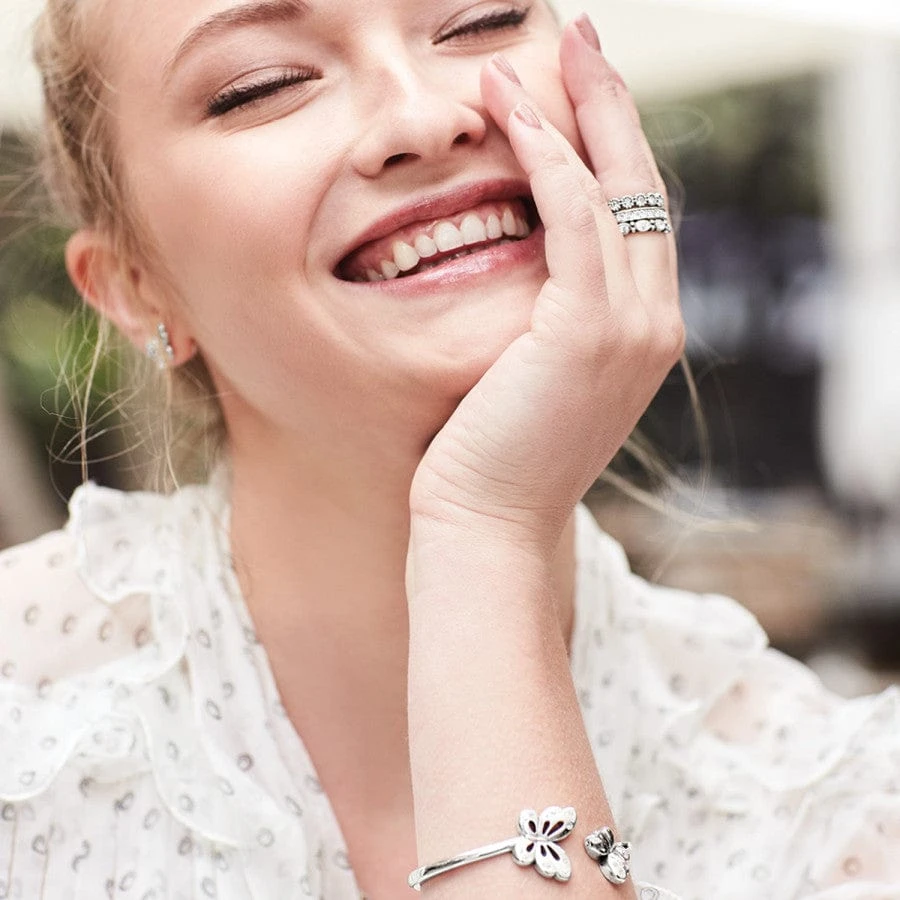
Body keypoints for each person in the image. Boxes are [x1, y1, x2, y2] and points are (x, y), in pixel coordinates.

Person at [1, 1, 898, 897]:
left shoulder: (836, 812)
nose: (425, 119)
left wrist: (483, 537)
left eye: (479, 19)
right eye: (261, 86)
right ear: (133, 286)